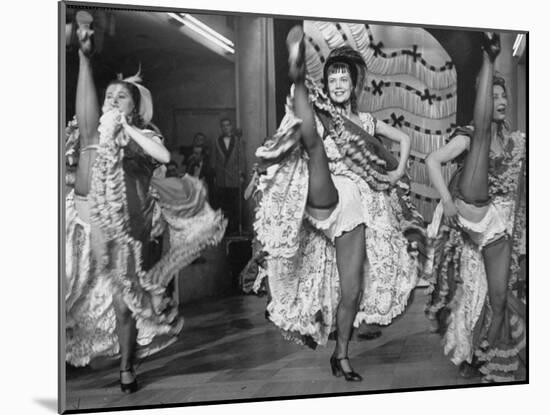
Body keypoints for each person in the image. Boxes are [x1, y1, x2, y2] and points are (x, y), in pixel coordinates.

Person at [65, 11, 226, 393]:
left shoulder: (142, 134)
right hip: (83, 224)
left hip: (125, 233)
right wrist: (85, 60)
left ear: (135, 106)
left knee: (124, 303)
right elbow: (86, 119)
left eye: (121, 96)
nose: (112, 99)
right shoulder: (91, 132)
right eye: (109, 95)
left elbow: (166, 158)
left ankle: (125, 366)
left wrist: (128, 128)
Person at [252, 26, 425, 381]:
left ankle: (341, 354)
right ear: (327, 83)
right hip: (323, 193)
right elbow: (299, 135)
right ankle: (297, 75)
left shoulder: (366, 121)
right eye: (333, 78)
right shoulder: (322, 114)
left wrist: (400, 170)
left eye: (344, 78)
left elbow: (404, 138)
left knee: (352, 290)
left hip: (356, 206)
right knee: (314, 144)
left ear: (354, 84)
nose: (338, 83)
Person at [424, 32, 526, 383]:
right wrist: (448, 202)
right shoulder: (469, 134)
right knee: (481, 136)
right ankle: (489, 57)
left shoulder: (517, 143)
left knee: (497, 298)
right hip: (470, 211)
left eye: (502, 95)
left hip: (498, 226)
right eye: (492, 94)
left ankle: (486, 357)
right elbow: (432, 161)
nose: (499, 100)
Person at [213, 118, 246, 234]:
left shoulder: (238, 140)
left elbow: (241, 158)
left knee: (235, 204)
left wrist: (242, 174)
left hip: (234, 177)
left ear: (231, 127)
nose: (225, 127)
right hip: (222, 178)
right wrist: (215, 175)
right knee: (223, 204)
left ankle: (235, 228)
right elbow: (214, 159)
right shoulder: (217, 141)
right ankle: (224, 229)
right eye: (223, 126)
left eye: (227, 125)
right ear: (221, 128)